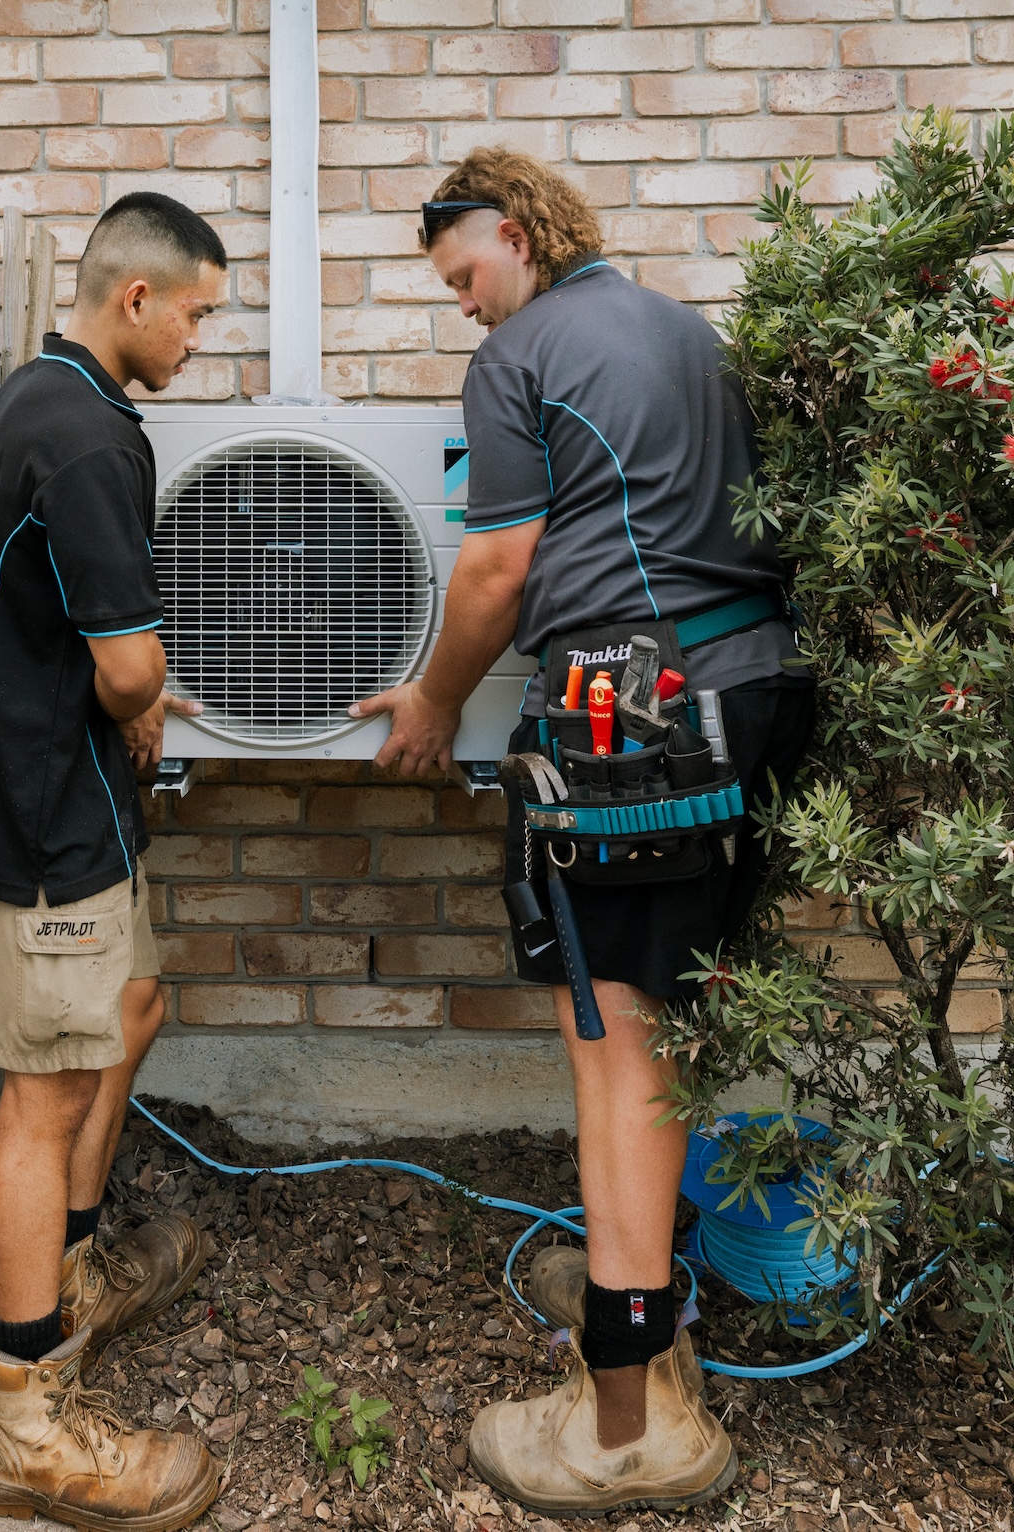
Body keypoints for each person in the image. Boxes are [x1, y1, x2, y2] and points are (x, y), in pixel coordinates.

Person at [352, 149, 812, 1518]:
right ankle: (644, 1307)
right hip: (757, 694)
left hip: (641, 722)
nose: (466, 311)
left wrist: (433, 699)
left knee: (611, 1046)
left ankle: (625, 1422)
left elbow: (498, 563)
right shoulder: (682, 328)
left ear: (515, 229)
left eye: (465, 276)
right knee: (656, 1024)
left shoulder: (527, 353)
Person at [0, 192, 228, 1532]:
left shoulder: (53, 396)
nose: (202, 344)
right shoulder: (87, 439)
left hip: (72, 797)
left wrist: (133, 699)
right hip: (38, 817)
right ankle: (23, 1421)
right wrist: (145, 691)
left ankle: (75, 1268)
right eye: (198, 316)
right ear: (135, 299)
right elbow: (128, 663)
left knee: (129, 1014)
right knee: (43, 1092)